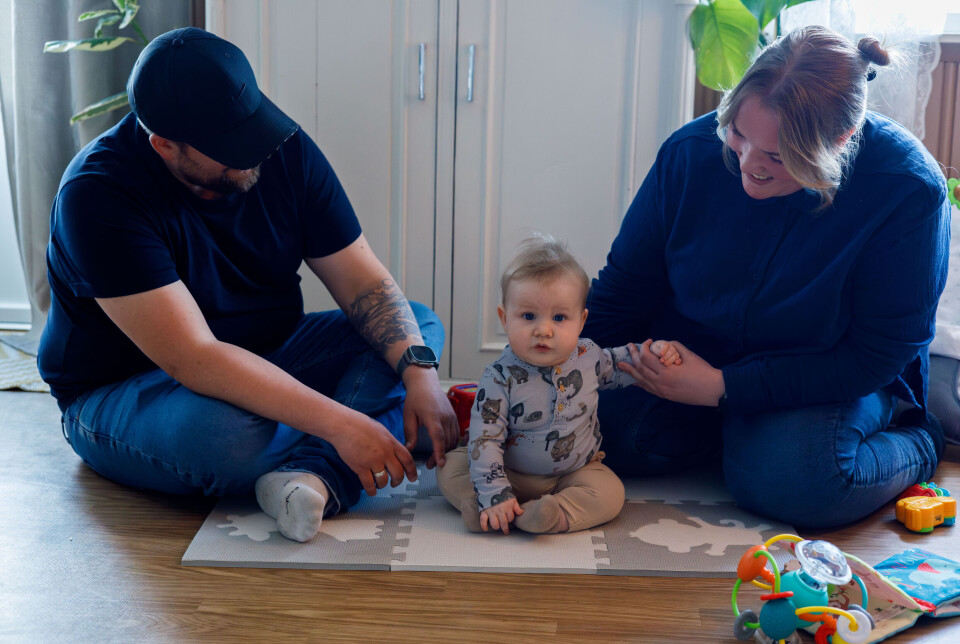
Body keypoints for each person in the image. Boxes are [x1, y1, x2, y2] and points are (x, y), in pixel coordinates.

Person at [37, 27, 459, 543]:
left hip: (273, 351)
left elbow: (364, 282)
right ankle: (366, 428)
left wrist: (420, 377)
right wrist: (343, 424)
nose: (254, 151)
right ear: (165, 145)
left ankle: (316, 474)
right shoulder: (98, 195)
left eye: (252, 129)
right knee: (226, 439)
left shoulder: (278, 146)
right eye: (229, 147)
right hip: (133, 389)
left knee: (416, 329)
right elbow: (195, 358)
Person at [582, 25, 950, 529]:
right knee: (574, 430)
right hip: (691, 362)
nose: (748, 166)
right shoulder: (688, 153)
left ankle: (914, 440)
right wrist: (553, 370)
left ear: (839, 142)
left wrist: (721, 386)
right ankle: (735, 439)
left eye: (778, 157)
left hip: (824, 379)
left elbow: (875, 357)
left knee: (797, 481)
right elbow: (623, 290)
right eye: (737, 134)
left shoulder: (905, 189)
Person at [436, 234, 681, 534]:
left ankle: (552, 514)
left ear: (581, 321)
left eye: (560, 317)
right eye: (528, 316)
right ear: (504, 318)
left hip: (573, 473)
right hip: (507, 470)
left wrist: (654, 353)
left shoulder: (589, 356)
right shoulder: (499, 377)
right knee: (451, 467)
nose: (543, 330)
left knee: (611, 493)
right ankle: (485, 504)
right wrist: (495, 490)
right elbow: (485, 440)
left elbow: (621, 365)